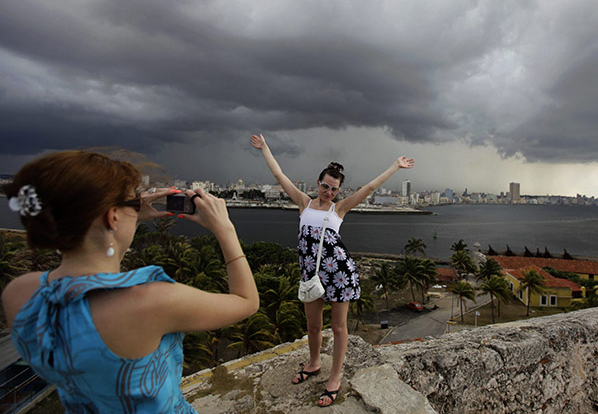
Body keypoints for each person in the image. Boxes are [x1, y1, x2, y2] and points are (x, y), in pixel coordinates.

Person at [1, 151, 259, 413]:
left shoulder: (19, 293)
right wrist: (225, 230)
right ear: (112, 217)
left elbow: (100, 269)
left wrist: (124, 218)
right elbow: (246, 301)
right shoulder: (152, 302)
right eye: (133, 203)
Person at [250, 134, 414, 407]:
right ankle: (314, 363)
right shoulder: (304, 202)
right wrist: (265, 148)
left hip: (339, 274)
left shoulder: (340, 209)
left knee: (338, 328)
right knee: (313, 325)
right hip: (312, 274)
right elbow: (279, 175)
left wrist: (395, 166)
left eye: (334, 189)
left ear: (339, 191)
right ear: (318, 183)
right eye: (325, 186)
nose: (328, 192)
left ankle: (334, 378)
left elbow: (370, 187)